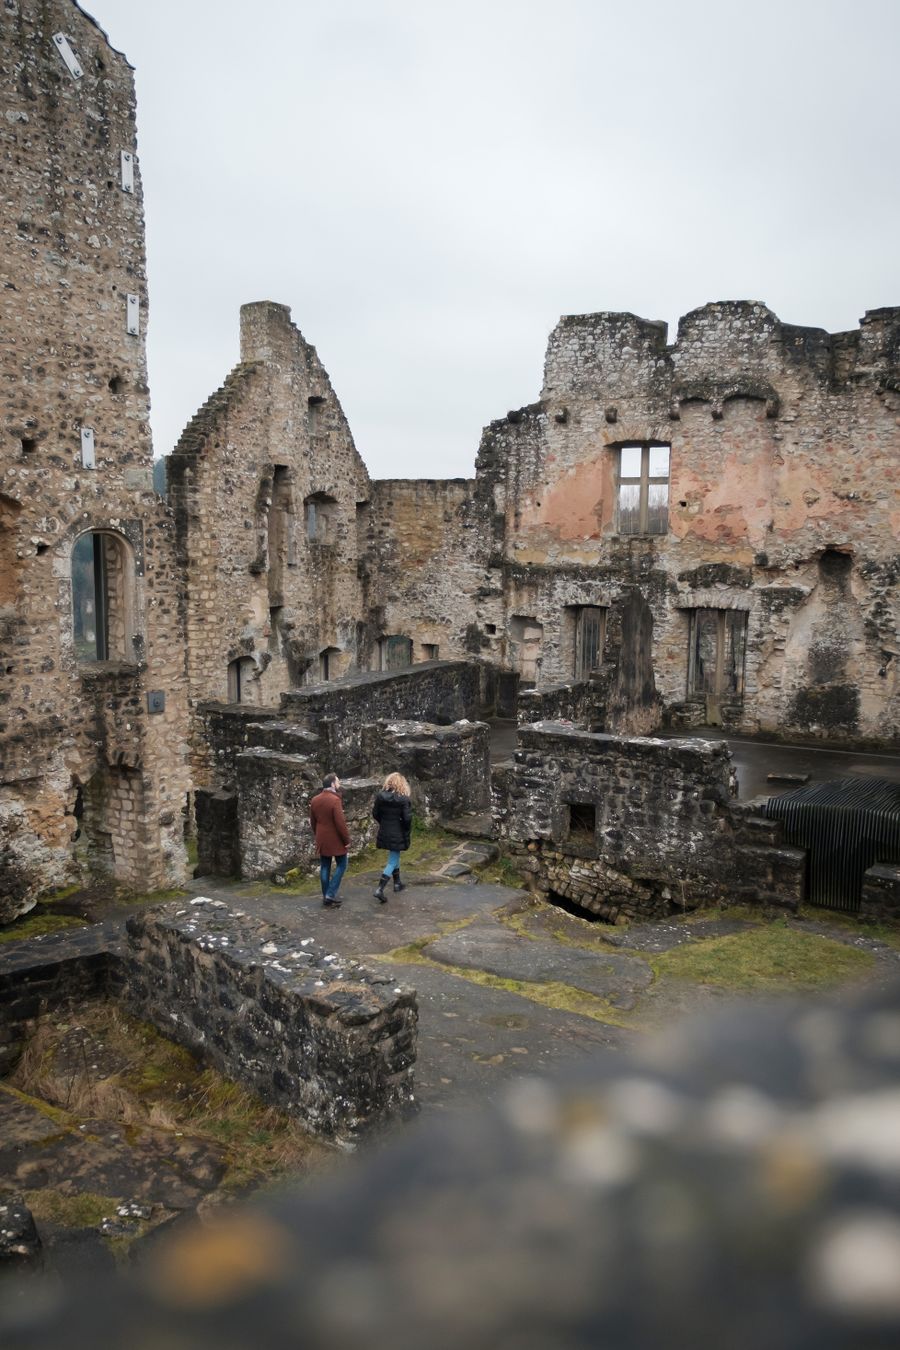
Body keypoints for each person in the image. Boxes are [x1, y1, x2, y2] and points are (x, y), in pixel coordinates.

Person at [309, 773, 350, 908]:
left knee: (325, 866)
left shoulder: (315, 799)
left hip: (322, 838)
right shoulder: (335, 800)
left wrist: (318, 834)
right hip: (336, 838)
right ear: (332, 784)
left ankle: (326, 895)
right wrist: (346, 840)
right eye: (337, 781)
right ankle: (330, 894)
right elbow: (340, 823)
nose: (339, 784)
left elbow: (313, 821)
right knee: (342, 864)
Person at [372, 772, 412, 903]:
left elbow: (375, 813)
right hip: (397, 831)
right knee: (392, 861)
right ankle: (380, 889)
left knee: (395, 856)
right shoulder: (404, 799)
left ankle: (397, 883)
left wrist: (384, 822)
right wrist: (405, 828)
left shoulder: (380, 797)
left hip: (385, 830)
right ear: (402, 784)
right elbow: (407, 819)